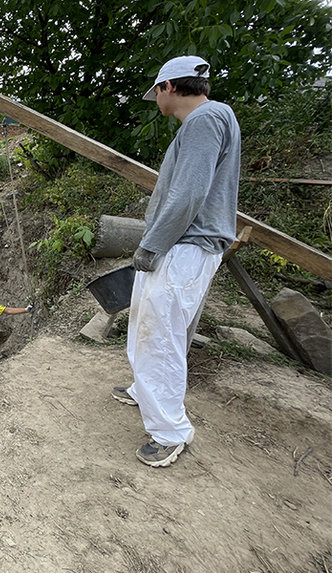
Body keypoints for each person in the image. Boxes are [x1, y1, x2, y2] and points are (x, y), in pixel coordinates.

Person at [112, 55, 240, 468]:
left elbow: (188, 194)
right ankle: (144, 390)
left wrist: (153, 243)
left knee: (160, 335)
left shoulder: (204, 121)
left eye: (157, 93)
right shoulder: (213, 119)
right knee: (150, 326)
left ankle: (168, 432)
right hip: (183, 245)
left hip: (185, 246)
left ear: (169, 87)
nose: (156, 102)